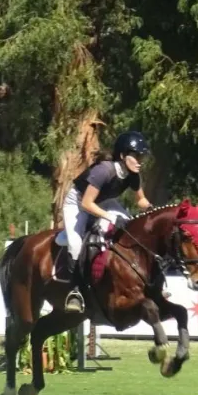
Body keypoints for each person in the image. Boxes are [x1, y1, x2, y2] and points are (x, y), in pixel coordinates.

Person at [60, 130, 154, 312]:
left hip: (104, 201)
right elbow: (87, 203)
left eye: (141, 156)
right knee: (75, 243)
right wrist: (111, 217)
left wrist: (152, 209)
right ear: (122, 155)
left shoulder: (133, 174)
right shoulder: (104, 171)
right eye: (136, 156)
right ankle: (75, 291)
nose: (140, 161)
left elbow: (140, 200)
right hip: (78, 202)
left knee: (130, 229)